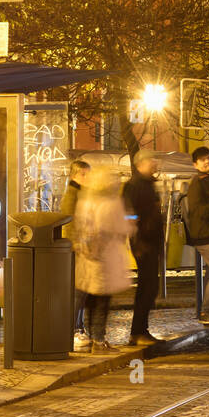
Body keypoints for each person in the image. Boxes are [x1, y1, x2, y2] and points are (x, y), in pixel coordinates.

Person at [72, 165, 134, 353]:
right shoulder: (111, 203)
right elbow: (122, 228)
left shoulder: (85, 201)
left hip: (87, 257)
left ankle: (83, 336)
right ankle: (98, 340)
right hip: (105, 258)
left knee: (87, 299)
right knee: (102, 301)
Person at [123, 149, 165, 346]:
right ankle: (137, 331)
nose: (154, 163)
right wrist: (136, 237)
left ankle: (141, 330)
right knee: (147, 287)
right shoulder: (134, 186)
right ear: (140, 164)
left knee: (150, 287)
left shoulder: (148, 184)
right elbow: (128, 214)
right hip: (143, 242)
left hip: (151, 241)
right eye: (151, 161)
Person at [185, 145, 209, 326]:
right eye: (203, 159)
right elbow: (198, 212)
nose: (207, 161)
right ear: (195, 165)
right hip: (205, 236)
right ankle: (206, 311)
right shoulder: (199, 183)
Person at [60, 159, 90, 340]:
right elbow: (68, 220)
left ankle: (78, 326)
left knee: (81, 290)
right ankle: (73, 328)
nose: (86, 178)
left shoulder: (80, 193)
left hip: (81, 246)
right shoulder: (72, 194)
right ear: (73, 175)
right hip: (77, 248)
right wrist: (76, 243)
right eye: (83, 174)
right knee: (78, 291)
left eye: (88, 174)